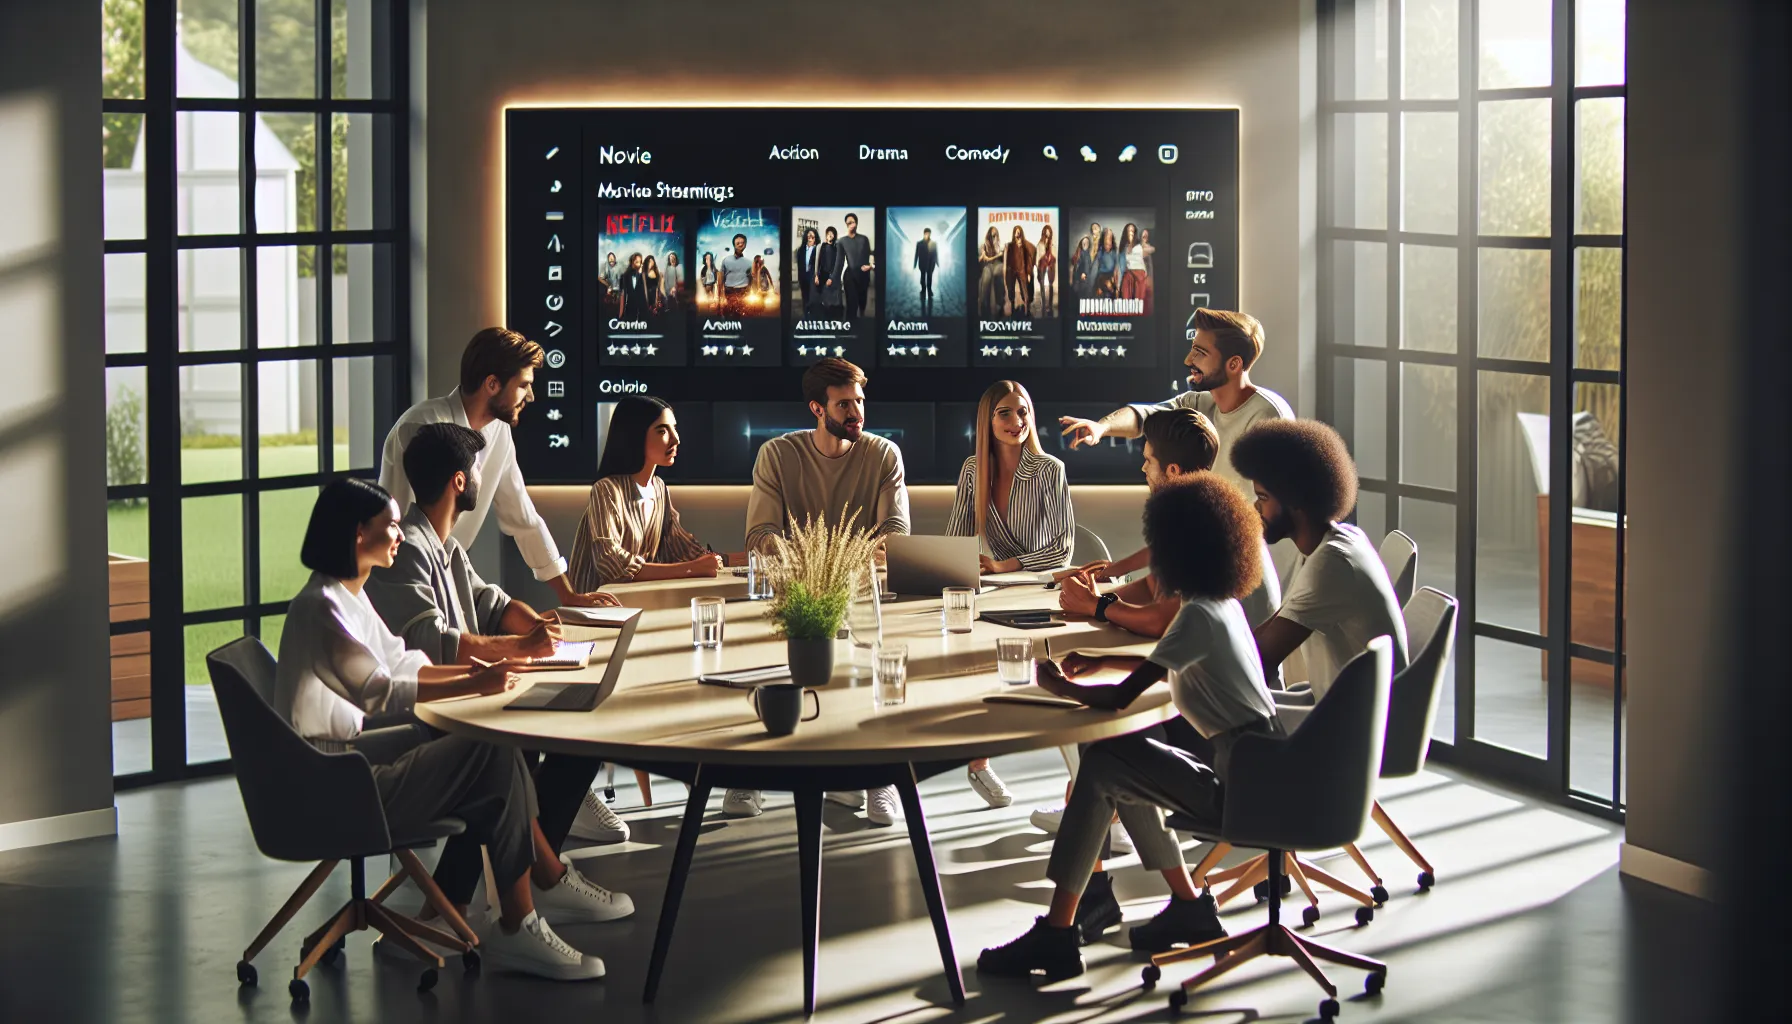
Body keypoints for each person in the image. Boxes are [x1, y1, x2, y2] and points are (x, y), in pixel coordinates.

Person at [274, 478, 627, 981]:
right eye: (390, 526)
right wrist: (477, 677)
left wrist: (476, 676)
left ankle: (487, 907)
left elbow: (405, 662)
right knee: (493, 754)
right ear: (357, 535)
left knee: (494, 754)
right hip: (336, 786)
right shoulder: (322, 608)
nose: (399, 534)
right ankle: (519, 917)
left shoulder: (347, 595)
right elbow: (380, 691)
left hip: (349, 762)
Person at [977, 475, 1283, 977]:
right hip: (1260, 771)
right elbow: (1165, 665)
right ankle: (1187, 907)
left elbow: (1120, 701)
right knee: (1119, 762)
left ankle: (1057, 933)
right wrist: (1097, 661)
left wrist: (1057, 685)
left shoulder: (1196, 616)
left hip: (1240, 788)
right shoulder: (1217, 606)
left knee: (1102, 762)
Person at [368, 423, 636, 848]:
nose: (480, 477)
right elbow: (429, 642)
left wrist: (539, 626)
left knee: (566, 739)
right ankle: (543, 866)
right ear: (459, 481)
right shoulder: (411, 551)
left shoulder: (447, 546)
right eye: (475, 469)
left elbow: (492, 604)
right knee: (566, 745)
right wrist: (524, 648)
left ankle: (527, 865)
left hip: (471, 697)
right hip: (436, 713)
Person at [737, 358, 911, 824]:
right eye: (843, 404)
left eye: (859, 401)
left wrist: (836, 567)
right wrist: (812, 570)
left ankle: (880, 778)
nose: (856, 412)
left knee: (877, 662)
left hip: (861, 592)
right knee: (763, 651)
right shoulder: (776, 454)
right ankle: (743, 775)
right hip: (792, 590)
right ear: (818, 408)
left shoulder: (883, 454)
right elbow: (760, 536)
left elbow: (894, 531)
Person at [379, 328, 619, 610]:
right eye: (523, 385)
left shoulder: (498, 431)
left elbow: (523, 517)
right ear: (492, 384)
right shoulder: (421, 428)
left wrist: (569, 596)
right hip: (402, 579)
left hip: (449, 572)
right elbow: (403, 524)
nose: (530, 396)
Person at [945, 380, 1074, 811]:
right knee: (967, 657)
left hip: (1040, 593)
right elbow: (957, 538)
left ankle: (1082, 787)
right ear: (987, 419)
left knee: (1057, 684)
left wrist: (1005, 565)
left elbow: (1061, 549)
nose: (1016, 421)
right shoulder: (972, 470)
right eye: (1005, 412)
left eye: (1023, 412)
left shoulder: (1048, 469)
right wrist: (946, 566)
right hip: (996, 595)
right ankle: (978, 761)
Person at [1232, 419, 1409, 709]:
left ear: (1295, 498)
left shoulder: (1331, 565)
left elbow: (1261, 658)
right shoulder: (1340, 541)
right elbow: (1272, 627)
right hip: (1350, 714)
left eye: (1263, 497)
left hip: (1351, 734)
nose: (1255, 507)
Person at [1058, 308, 1293, 506]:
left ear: (1233, 364)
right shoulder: (1197, 404)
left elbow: (1273, 510)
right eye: (1193, 348)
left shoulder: (1268, 417)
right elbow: (1144, 417)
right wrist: (1101, 428)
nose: (1188, 360)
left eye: (1200, 353)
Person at [567, 396, 723, 591]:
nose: (676, 439)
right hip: (600, 608)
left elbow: (678, 546)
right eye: (662, 430)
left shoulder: (659, 488)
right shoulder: (607, 489)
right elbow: (610, 561)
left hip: (639, 599)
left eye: (674, 428)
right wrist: (690, 569)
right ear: (635, 435)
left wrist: (722, 560)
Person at [838, 211, 873, 317]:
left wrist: (871, 265)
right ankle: (851, 327)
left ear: (856, 223)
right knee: (851, 305)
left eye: (852, 222)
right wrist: (833, 278)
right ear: (846, 225)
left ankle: (862, 322)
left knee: (862, 302)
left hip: (863, 275)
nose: (850, 224)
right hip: (850, 276)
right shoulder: (842, 241)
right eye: (848, 223)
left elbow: (869, 255)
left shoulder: (864, 239)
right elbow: (839, 261)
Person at [719, 233, 754, 317]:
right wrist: (720, 295)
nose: (740, 244)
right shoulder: (726, 260)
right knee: (728, 315)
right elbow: (721, 278)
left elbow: (751, 280)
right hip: (729, 291)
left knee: (743, 316)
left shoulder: (750, 263)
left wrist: (749, 292)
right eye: (738, 243)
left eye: (742, 243)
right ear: (734, 245)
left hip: (743, 292)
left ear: (745, 245)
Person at [1005, 225, 1037, 316]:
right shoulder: (1010, 245)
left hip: (1022, 270)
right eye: (1016, 231)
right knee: (1011, 289)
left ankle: (1027, 309)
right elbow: (1007, 259)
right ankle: (1012, 306)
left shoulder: (1025, 245)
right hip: (1012, 270)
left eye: (1019, 231)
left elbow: (1030, 254)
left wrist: (1029, 272)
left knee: (1025, 290)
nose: (1017, 233)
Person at [816, 226, 844, 317]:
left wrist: (832, 277)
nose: (830, 235)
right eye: (828, 233)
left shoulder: (837, 246)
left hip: (832, 276)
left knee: (834, 301)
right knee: (824, 300)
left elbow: (838, 263)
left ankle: (835, 319)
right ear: (826, 235)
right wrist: (816, 275)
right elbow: (818, 262)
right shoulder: (822, 246)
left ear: (834, 235)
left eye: (832, 233)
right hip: (822, 275)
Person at [977, 226, 1005, 315]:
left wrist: (997, 244)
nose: (994, 237)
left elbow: (1001, 256)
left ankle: (1000, 303)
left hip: (997, 264)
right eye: (992, 235)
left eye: (995, 235)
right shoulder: (984, 245)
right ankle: (983, 305)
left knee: (997, 273)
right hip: (988, 265)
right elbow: (985, 259)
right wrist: (996, 255)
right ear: (988, 235)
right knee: (986, 277)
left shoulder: (999, 244)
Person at [795, 227, 820, 314]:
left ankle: (813, 315)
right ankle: (806, 315)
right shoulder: (800, 250)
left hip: (814, 277)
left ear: (815, 238)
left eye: (812, 237)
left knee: (813, 298)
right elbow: (799, 265)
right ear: (806, 237)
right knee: (805, 297)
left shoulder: (818, 250)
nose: (810, 238)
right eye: (808, 236)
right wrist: (799, 278)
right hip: (803, 277)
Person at [913, 227, 939, 308]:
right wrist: (914, 263)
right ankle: (923, 290)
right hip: (923, 263)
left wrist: (937, 263)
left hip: (931, 264)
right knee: (923, 277)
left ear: (930, 234)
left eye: (928, 233)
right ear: (924, 233)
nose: (927, 234)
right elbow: (916, 254)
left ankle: (929, 290)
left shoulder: (934, 243)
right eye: (926, 233)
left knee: (930, 277)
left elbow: (935, 254)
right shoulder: (919, 243)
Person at [619, 253, 650, 319]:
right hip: (630, 307)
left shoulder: (644, 275)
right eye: (637, 262)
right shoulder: (624, 276)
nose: (639, 264)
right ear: (632, 262)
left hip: (642, 309)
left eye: (640, 262)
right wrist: (621, 313)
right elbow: (622, 294)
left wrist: (641, 274)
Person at [1092, 227, 1120, 298]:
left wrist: (1114, 276)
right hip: (1102, 276)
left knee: (1113, 288)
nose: (1108, 244)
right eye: (1106, 240)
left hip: (1111, 275)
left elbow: (1116, 265)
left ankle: (1113, 293)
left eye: (1110, 240)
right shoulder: (1100, 253)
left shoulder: (1114, 253)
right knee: (1107, 286)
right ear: (1103, 241)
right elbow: (1095, 269)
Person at [1037, 224, 1057, 317]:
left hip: (1050, 265)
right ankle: (1044, 303)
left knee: (1051, 284)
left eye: (1049, 232)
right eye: (1046, 231)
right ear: (1044, 232)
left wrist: (1051, 260)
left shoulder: (1052, 243)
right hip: (1042, 264)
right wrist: (1038, 265)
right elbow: (1037, 256)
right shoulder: (1040, 243)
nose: (1047, 233)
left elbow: (1055, 255)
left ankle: (1050, 304)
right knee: (1041, 282)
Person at [1070, 235, 1095, 304]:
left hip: (1084, 280)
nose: (1085, 244)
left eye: (1087, 242)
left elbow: (1087, 266)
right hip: (1080, 280)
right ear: (1081, 243)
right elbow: (1075, 267)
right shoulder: (1080, 253)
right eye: (1083, 242)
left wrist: (1085, 273)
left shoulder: (1086, 253)